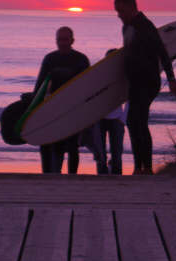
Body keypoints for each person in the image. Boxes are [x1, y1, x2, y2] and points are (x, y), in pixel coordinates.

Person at [113, 0, 176, 175]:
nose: (118, 15)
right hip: (134, 83)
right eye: (117, 11)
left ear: (130, 7)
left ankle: (144, 168)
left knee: (137, 121)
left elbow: (163, 53)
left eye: (120, 11)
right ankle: (141, 167)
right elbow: (128, 54)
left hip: (148, 82)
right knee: (135, 122)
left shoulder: (145, 26)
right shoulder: (126, 28)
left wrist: (172, 80)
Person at [34, 26, 90, 173]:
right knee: (47, 142)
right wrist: (33, 103)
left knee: (72, 146)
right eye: (60, 39)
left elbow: (88, 86)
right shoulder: (50, 58)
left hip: (73, 108)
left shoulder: (81, 59)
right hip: (53, 108)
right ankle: (48, 175)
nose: (63, 43)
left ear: (72, 40)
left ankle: (72, 177)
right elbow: (40, 84)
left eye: (65, 39)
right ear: (56, 41)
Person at [100, 49, 127, 175]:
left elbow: (129, 97)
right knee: (100, 154)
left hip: (116, 118)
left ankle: (117, 177)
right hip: (98, 118)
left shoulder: (123, 75)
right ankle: (101, 177)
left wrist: (123, 119)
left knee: (117, 154)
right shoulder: (98, 76)